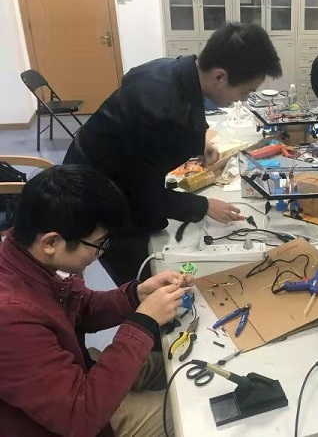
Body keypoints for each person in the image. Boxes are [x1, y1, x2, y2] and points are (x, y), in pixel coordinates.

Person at [63, 22, 282, 285]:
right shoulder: (161, 113)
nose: (241, 100)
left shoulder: (174, 68)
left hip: (103, 166)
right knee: (147, 281)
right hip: (98, 195)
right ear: (220, 77)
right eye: (244, 92)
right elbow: (144, 197)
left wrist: (197, 143)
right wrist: (203, 206)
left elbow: (134, 81)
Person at [0, 165, 195, 436]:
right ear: (51, 242)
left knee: (185, 364)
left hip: (75, 374)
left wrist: (136, 295)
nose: (100, 253)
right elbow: (80, 417)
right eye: (99, 244)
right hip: (70, 417)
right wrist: (144, 322)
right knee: (192, 415)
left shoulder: (25, 257)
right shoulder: (11, 318)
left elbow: (81, 307)